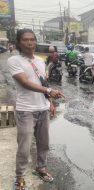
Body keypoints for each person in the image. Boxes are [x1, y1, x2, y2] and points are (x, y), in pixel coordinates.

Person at [7, 29, 64, 190]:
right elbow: (25, 83)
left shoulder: (40, 60)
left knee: (44, 144)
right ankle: (20, 178)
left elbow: (43, 83)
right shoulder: (14, 60)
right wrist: (48, 91)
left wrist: (51, 102)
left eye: (32, 39)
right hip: (26, 111)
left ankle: (41, 168)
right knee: (24, 147)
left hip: (43, 108)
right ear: (19, 42)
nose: (30, 42)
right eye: (25, 40)